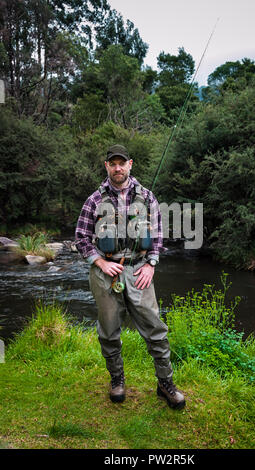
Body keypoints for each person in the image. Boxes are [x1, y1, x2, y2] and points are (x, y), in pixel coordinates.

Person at [75, 144, 185, 410]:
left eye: (121, 163)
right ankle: (117, 381)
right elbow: (81, 238)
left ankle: (165, 384)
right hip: (105, 274)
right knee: (109, 331)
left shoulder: (147, 197)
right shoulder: (94, 200)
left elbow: (158, 237)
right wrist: (100, 261)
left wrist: (151, 264)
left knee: (156, 331)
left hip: (140, 272)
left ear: (130, 164)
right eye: (112, 163)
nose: (117, 168)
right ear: (106, 167)